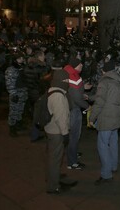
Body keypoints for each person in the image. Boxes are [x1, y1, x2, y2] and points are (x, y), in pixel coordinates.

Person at [89, 60, 120, 185]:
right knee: (113, 142)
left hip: (106, 117)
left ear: (103, 70)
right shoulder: (117, 80)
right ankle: (114, 165)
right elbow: (109, 97)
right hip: (116, 116)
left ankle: (106, 174)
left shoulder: (104, 81)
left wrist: (92, 118)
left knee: (102, 145)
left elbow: (100, 102)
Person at [44, 63, 76, 194]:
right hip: (56, 131)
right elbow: (60, 117)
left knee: (54, 157)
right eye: (66, 80)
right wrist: (65, 134)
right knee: (55, 158)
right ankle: (53, 186)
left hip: (51, 129)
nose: (68, 82)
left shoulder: (54, 89)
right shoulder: (58, 96)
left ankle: (54, 177)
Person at [65, 55, 89, 170]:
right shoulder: (74, 77)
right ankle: (72, 162)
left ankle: (72, 153)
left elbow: (74, 91)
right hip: (74, 110)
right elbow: (77, 98)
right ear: (75, 66)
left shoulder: (69, 73)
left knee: (71, 136)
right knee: (74, 136)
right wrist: (87, 106)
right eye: (80, 64)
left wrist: (83, 88)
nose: (82, 65)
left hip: (68, 108)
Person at [5, 53, 28, 137]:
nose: (21, 59)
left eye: (22, 57)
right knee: (13, 111)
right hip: (16, 92)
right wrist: (13, 93)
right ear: (15, 60)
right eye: (19, 58)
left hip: (23, 91)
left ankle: (18, 124)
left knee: (20, 110)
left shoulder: (22, 67)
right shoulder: (11, 69)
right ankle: (12, 128)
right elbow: (9, 83)